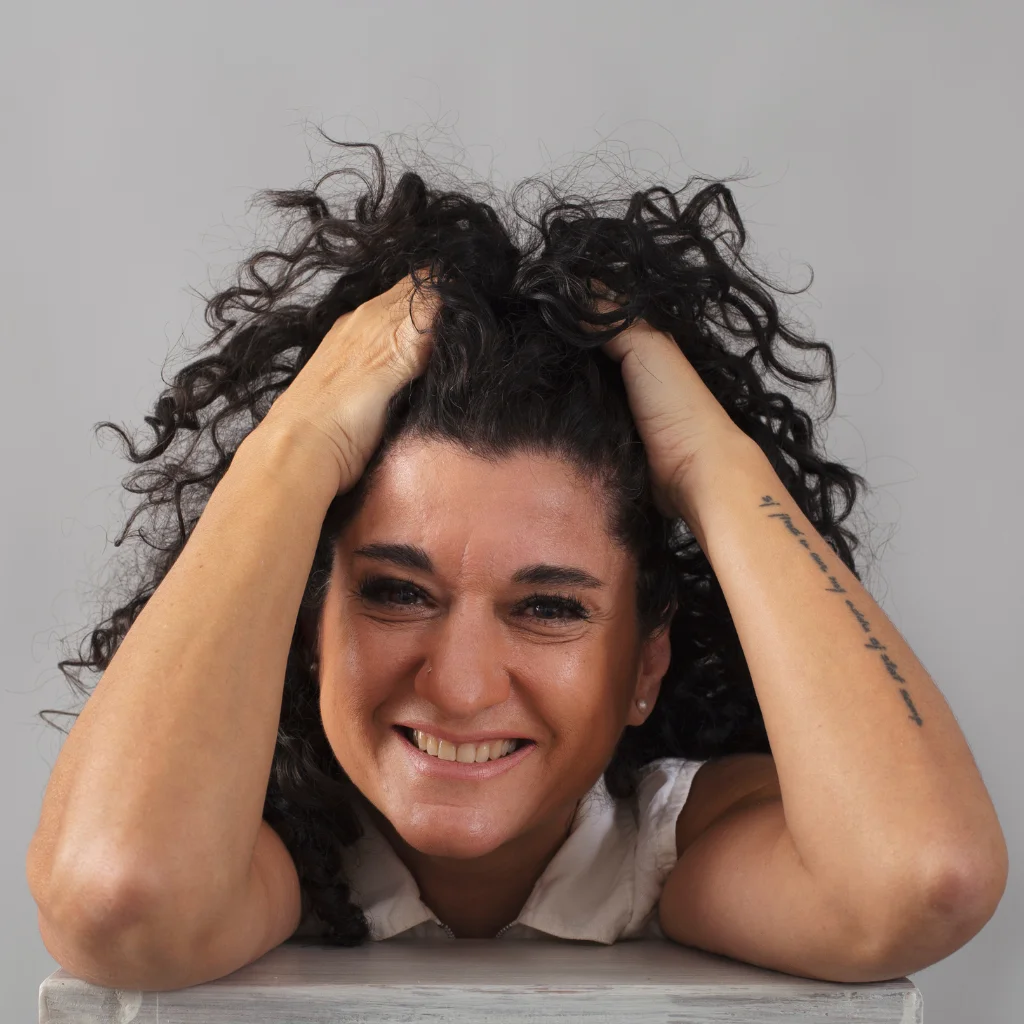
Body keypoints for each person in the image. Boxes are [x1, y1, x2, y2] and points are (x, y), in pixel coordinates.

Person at [27, 139, 1007, 992]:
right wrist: (291, 451)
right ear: (308, 620)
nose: (460, 685)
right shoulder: (258, 857)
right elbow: (118, 901)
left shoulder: (674, 853)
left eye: (548, 608)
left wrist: (716, 468)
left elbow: (922, 880)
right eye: (397, 592)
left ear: (646, 662)